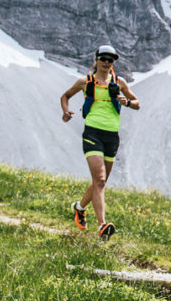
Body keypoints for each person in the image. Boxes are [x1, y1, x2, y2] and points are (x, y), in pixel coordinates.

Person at [59, 45, 141, 241]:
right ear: (96, 60)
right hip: (92, 133)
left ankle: (79, 208)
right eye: (103, 58)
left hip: (112, 136)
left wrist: (126, 102)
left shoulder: (119, 82)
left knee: (99, 182)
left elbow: (137, 103)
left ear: (114, 62)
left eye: (110, 59)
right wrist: (66, 111)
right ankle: (102, 225)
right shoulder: (85, 82)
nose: (106, 62)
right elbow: (65, 96)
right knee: (101, 180)